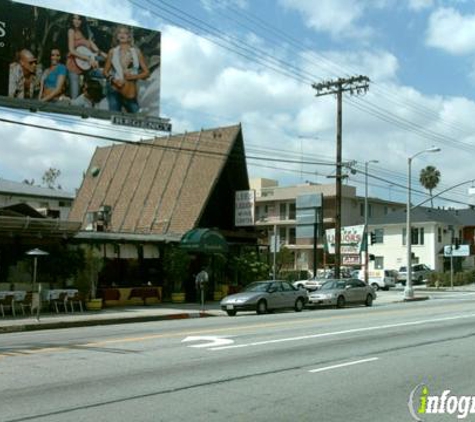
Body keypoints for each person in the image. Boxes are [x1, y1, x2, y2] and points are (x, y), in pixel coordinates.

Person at [103, 25, 150, 113]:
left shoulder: (136, 51)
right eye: (120, 32)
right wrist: (113, 80)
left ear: (129, 37)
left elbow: (147, 72)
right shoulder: (112, 52)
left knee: (136, 117)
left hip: (130, 91)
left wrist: (133, 77)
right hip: (115, 89)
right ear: (117, 36)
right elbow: (105, 71)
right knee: (114, 117)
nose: (122, 35)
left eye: (125, 33)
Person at [66, 14, 105, 99]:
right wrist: (88, 58)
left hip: (86, 66)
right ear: (71, 20)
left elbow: (96, 49)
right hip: (74, 65)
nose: (76, 21)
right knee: (75, 96)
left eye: (79, 19)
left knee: (89, 95)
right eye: (74, 19)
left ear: (82, 21)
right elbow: (71, 50)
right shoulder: (71, 31)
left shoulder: (86, 32)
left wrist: (106, 56)